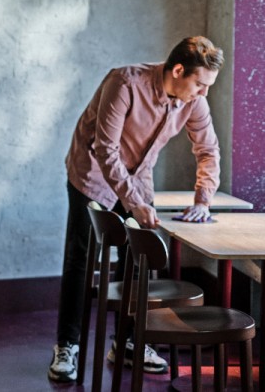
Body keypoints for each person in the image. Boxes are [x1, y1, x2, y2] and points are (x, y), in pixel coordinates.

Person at [48, 36, 223, 382]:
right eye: (200, 84)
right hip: (92, 172)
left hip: (138, 176)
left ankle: (127, 342)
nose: (204, 93)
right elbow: (106, 150)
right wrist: (135, 204)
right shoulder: (124, 82)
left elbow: (208, 150)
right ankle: (67, 346)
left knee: (136, 260)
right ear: (177, 70)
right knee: (81, 258)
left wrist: (203, 200)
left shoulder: (195, 101)